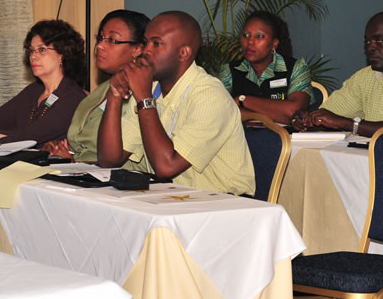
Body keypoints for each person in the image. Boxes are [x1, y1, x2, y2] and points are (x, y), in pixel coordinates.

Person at [97, 11, 255, 195]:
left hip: (223, 205)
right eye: (146, 42)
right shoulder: (151, 87)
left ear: (183, 53)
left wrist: (144, 98)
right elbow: (109, 160)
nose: (146, 51)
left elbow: (166, 167)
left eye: (156, 44)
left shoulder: (210, 96)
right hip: (171, 199)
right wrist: (115, 95)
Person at [43, 10, 149, 161]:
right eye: (100, 38)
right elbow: (80, 145)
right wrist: (58, 148)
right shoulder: (103, 88)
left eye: (112, 40)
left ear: (137, 49)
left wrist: (72, 162)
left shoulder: (143, 95)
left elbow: (116, 161)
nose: (99, 45)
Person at [217, 11, 312, 124]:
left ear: (274, 44)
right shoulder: (229, 71)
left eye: (259, 36)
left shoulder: (296, 68)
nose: (250, 41)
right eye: (246, 35)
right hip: (241, 139)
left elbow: (295, 112)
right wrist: (273, 115)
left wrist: (243, 100)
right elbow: (220, 111)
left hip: (283, 139)